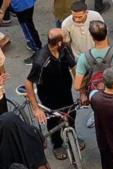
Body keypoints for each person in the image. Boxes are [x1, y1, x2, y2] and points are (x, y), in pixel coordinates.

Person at [23, 28, 78, 160]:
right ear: (59, 42)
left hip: (66, 90)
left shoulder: (65, 49)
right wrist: (36, 108)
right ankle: (57, 144)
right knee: (53, 121)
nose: (68, 39)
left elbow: (73, 67)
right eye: (65, 37)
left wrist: (79, 86)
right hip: (49, 96)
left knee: (71, 113)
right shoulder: (41, 60)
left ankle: (72, 135)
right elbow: (28, 83)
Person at [73, 20, 113, 98]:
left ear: (92, 37)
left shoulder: (83, 58)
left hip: (97, 99)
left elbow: (77, 86)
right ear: (106, 33)